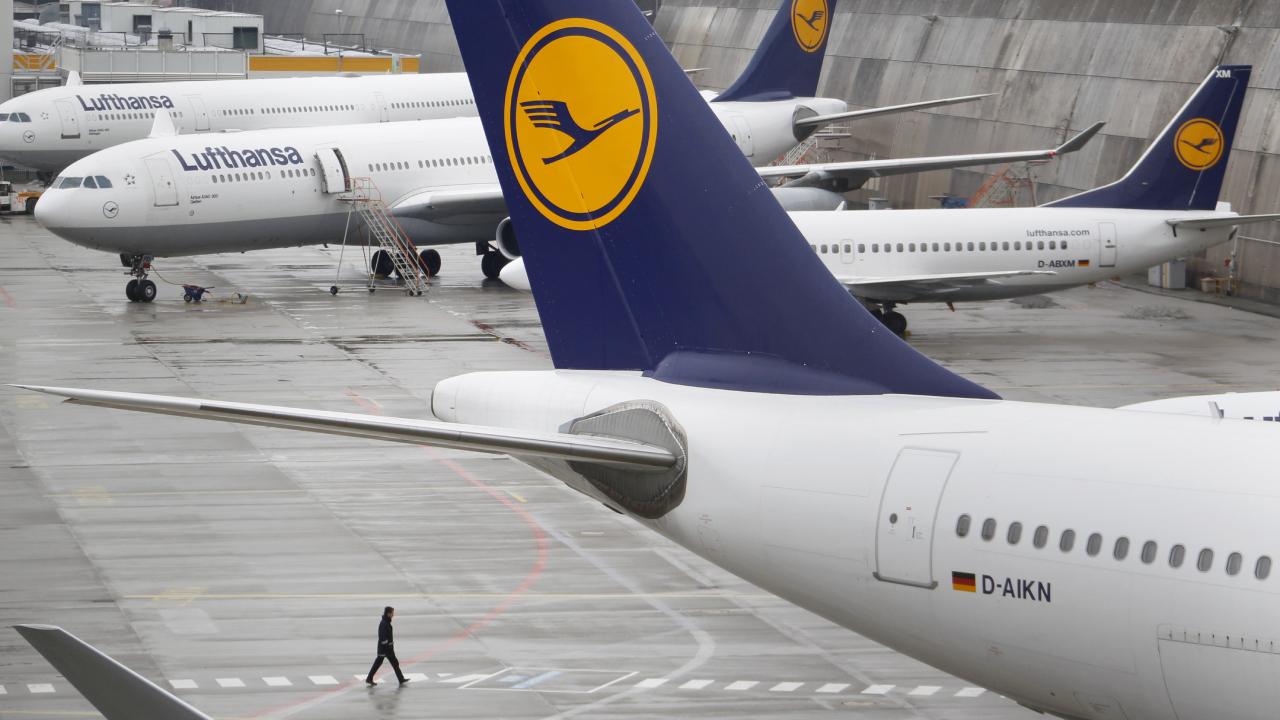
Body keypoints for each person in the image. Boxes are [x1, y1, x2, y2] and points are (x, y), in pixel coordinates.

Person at [364, 606, 408, 686]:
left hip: (387, 648)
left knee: (393, 663)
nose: (393, 615)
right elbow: (382, 637)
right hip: (385, 649)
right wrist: (387, 645)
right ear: (388, 614)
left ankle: (401, 679)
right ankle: (369, 678)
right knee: (385, 663)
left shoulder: (386, 622)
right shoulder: (384, 623)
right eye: (392, 613)